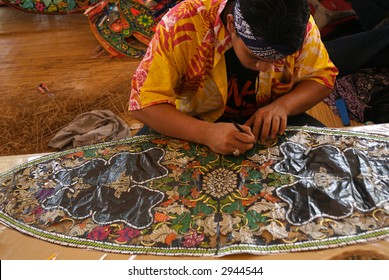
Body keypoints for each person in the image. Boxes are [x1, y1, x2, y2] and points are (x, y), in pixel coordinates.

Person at [129, 0, 338, 156]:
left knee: (326, 160)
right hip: (193, 122)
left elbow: (322, 77)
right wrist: (206, 133)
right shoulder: (183, 23)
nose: (265, 68)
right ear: (231, 25)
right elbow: (144, 104)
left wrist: (282, 106)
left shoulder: (296, 25)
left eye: (278, 60)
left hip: (266, 122)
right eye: (254, 57)